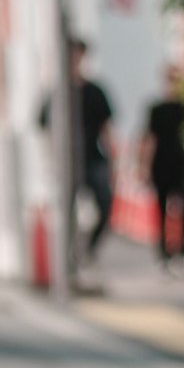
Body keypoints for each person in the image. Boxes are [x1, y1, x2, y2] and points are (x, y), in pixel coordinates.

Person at [145, 67, 184, 272]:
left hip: (181, 163)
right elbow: (150, 139)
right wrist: (145, 167)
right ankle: (163, 253)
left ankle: (181, 251)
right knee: (161, 209)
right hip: (161, 164)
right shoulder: (157, 109)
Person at [72, 46, 116, 265]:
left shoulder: (95, 92)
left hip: (93, 158)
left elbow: (107, 129)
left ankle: (88, 249)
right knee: (67, 209)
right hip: (68, 161)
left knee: (105, 203)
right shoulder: (58, 93)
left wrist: (112, 162)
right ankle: (71, 253)